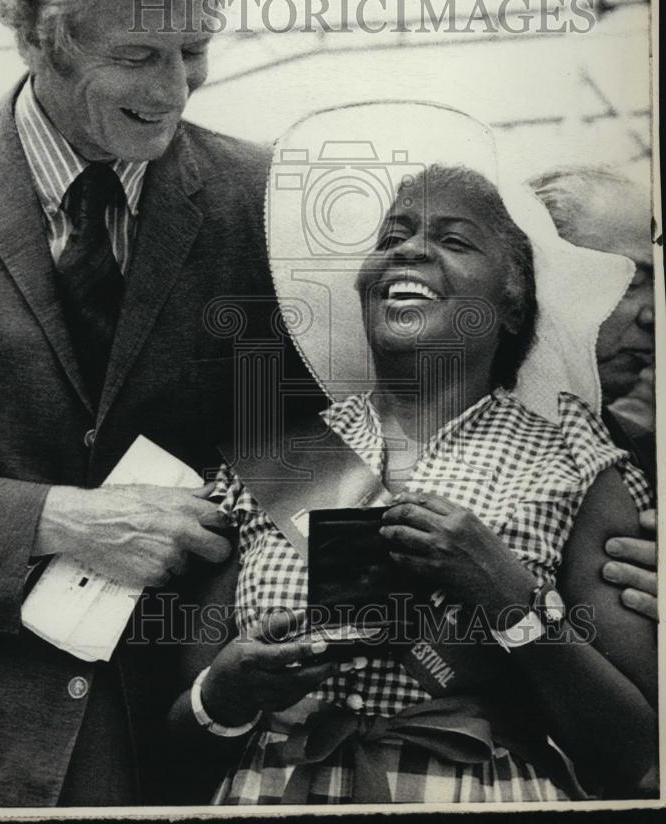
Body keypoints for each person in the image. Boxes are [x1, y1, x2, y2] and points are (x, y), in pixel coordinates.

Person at [0, 0, 315, 808]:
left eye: (194, 48)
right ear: (41, 33)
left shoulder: (265, 201)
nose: (174, 90)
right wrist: (49, 519)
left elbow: (315, 458)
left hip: (182, 741)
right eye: (138, 56)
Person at [166, 103, 657, 804]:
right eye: (393, 234)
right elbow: (177, 734)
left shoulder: (573, 459)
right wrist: (229, 688)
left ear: (514, 298)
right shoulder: (270, 460)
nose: (409, 249)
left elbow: (638, 755)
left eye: (453, 240)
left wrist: (506, 599)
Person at [529, 165, 656, 622]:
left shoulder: (651, 465)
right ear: (534, 276)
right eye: (631, 280)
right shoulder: (397, 441)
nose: (654, 316)